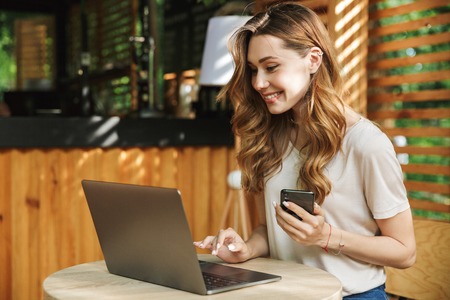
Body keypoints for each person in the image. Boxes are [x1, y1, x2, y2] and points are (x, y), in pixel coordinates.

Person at [193, 2, 416, 298]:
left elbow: (404, 252)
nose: (258, 83)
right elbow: (267, 228)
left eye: (271, 67)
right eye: (253, 70)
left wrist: (327, 236)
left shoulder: (366, 143)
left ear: (313, 60)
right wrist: (247, 248)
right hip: (286, 292)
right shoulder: (268, 137)